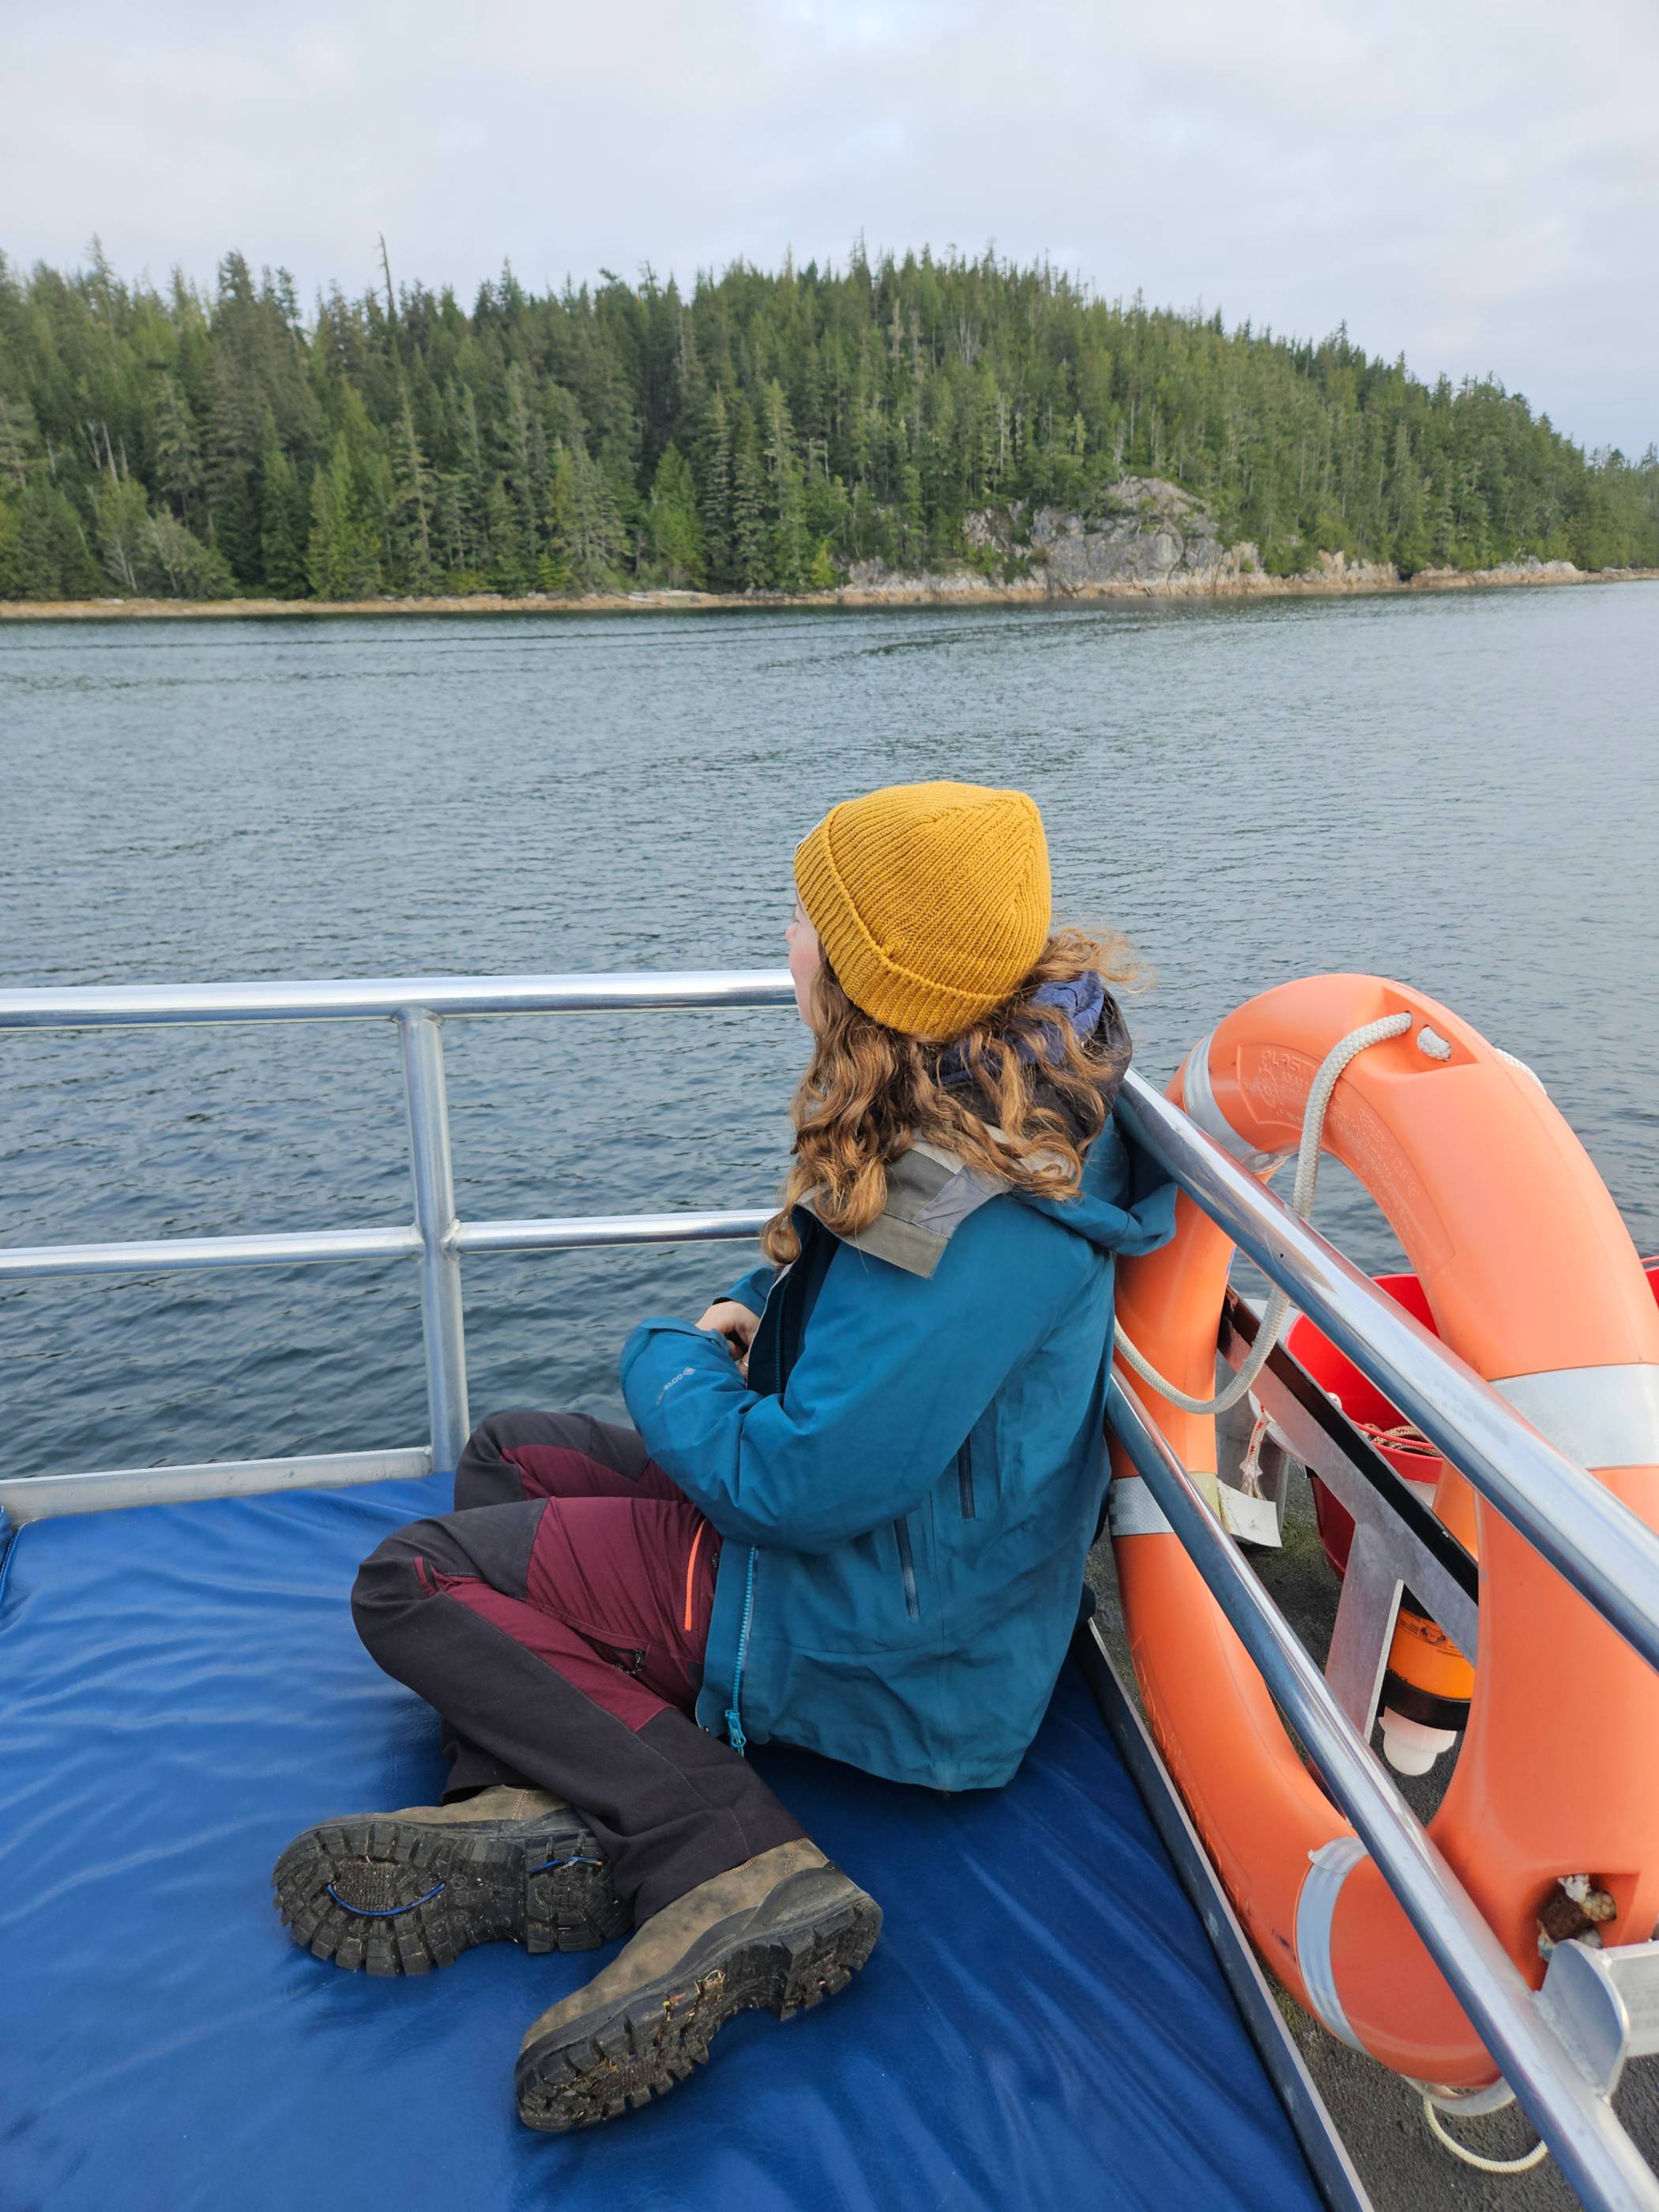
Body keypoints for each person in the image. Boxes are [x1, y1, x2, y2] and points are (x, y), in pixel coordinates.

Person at [273, 779, 1175, 2132]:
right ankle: (541, 1802)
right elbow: (876, 1361)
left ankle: (720, 1850)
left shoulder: (978, 1211)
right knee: (509, 1454)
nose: (790, 942)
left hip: (884, 1629)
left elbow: (794, 1484)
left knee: (414, 1581)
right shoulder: (1004, 1089)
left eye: (813, 924)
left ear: (878, 977)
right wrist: (761, 1326)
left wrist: (671, 1353)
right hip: (904, 1562)